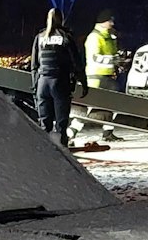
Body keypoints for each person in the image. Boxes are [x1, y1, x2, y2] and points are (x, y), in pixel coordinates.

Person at [30, 8, 80, 147]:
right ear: (61, 19)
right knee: (61, 124)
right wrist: (82, 81)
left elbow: (34, 64)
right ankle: (63, 149)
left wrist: (35, 85)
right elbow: (76, 62)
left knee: (44, 125)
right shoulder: (66, 37)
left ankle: (45, 152)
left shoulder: (40, 37)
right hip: (59, 82)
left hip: (42, 83)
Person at [84, 10, 124, 140]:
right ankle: (70, 133)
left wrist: (120, 60)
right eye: (109, 21)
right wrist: (114, 60)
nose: (112, 23)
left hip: (108, 76)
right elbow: (95, 57)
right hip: (96, 77)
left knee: (110, 105)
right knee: (90, 107)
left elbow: (113, 54)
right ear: (103, 22)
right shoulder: (94, 37)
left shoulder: (109, 37)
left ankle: (108, 133)